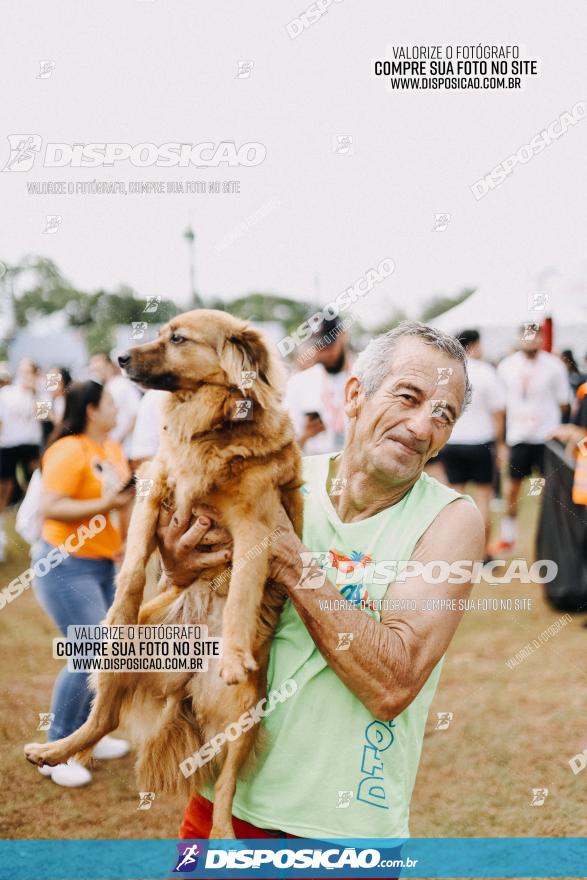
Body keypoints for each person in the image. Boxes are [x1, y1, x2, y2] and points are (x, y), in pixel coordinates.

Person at [157, 322, 484, 840]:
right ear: (355, 394)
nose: (422, 426)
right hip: (226, 803)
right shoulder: (274, 477)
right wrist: (176, 576)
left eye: (443, 414)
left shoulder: (450, 521)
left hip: (344, 826)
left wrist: (289, 560)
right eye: (408, 397)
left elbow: (392, 684)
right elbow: (180, 633)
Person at [32, 380, 134, 787]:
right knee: (90, 652)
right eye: (110, 402)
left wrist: (125, 543)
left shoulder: (111, 449)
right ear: (91, 409)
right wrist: (106, 505)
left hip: (101, 564)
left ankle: (89, 735)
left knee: (112, 655)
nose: (116, 408)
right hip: (64, 564)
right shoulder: (68, 450)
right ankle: (56, 749)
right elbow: (51, 507)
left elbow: (123, 501)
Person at [491, 326, 571, 554]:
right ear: (518, 339)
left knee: (554, 490)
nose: (530, 340)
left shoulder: (554, 366)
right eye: (526, 336)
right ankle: (508, 537)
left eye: (535, 336)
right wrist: (503, 440)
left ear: (541, 338)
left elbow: (564, 402)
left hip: (548, 437)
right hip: (519, 437)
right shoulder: (507, 366)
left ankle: (555, 539)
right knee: (512, 489)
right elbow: (501, 406)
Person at [440, 330, 505, 560]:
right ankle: (484, 554)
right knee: (483, 500)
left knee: (455, 500)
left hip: (453, 442)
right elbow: (498, 413)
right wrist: (500, 444)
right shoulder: (486, 372)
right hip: (481, 444)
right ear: (473, 345)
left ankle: (456, 554)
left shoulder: (448, 372)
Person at [284, 316, 353, 454]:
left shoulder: (364, 378)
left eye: (329, 344)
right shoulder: (298, 383)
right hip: (314, 470)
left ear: (343, 335)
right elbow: (285, 448)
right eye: (318, 346)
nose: (324, 353)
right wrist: (305, 436)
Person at [0, 359, 42, 561]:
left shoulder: (38, 394)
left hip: (31, 444)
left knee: (36, 485)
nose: (26, 376)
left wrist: (37, 394)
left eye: (30, 372)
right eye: (23, 371)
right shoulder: (7, 394)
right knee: (4, 489)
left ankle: (35, 530)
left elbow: (44, 418)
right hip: (7, 444)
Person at [89, 351, 141, 458]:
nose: (97, 371)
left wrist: (120, 437)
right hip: (114, 448)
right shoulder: (104, 388)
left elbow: (135, 413)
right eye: (94, 369)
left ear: (108, 365)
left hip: (129, 447)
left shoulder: (123, 384)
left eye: (99, 366)